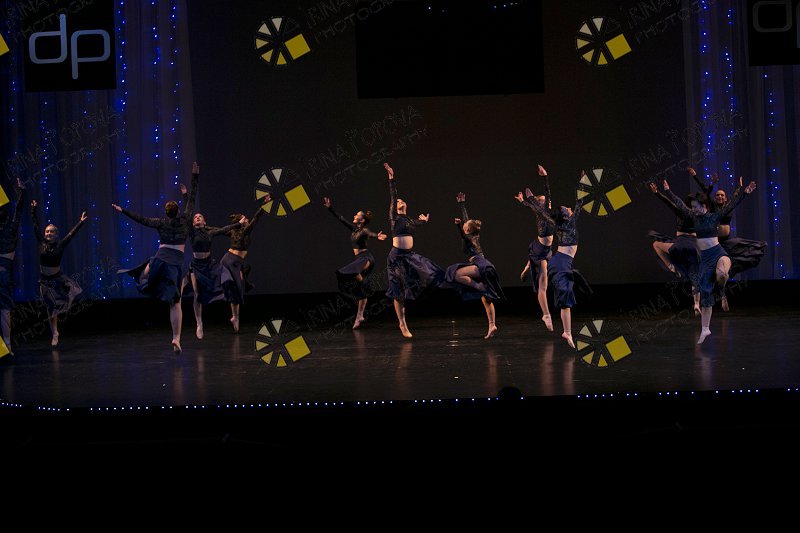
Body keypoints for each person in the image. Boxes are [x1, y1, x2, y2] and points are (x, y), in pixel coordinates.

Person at [656, 178, 756, 344]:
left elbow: (731, 205)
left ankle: (722, 286)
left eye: (696, 207)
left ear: (705, 206)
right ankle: (705, 329)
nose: (693, 209)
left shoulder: (715, 216)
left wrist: (745, 192)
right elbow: (679, 203)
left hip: (718, 253)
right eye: (693, 207)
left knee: (722, 273)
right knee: (705, 292)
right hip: (705, 258)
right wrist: (668, 191)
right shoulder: (693, 217)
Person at [113, 161, 199, 353]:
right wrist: (194, 176)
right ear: (178, 211)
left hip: (160, 259)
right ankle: (176, 338)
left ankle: (141, 278)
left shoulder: (161, 222)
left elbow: (141, 220)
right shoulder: (186, 221)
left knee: (145, 273)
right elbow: (192, 199)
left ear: (167, 213)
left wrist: (122, 210)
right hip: (175, 263)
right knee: (175, 302)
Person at [516, 171, 587, 348]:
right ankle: (565, 330)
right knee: (566, 299)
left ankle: (567, 332)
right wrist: (582, 182)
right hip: (560, 263)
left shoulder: (558, 222)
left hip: (558, 261)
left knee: (566, 300)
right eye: (567, 209)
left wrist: (528, 200)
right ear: (566, 215)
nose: (570, 208)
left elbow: (543, 210)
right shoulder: (570, 221)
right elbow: (579, 202)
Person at [385, 162, 445, 338]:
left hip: (409, 257)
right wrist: (391, 178)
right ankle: (402, 323)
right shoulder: (394, 217)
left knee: (428, 272)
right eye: (398, 202)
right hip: (396, 258)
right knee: (397, 290)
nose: (400, 202)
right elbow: (393, 196)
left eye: (402, 201)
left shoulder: (410, 220)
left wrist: (424, 221)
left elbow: (419, 223)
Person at [692, 170, 767, 311]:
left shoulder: (727, 207)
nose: (720, 196)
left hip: (726, 243)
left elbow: (735, 199)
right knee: (709, 272)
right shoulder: (712, 207)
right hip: (714, 244)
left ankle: (722, 294)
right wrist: (698, 177)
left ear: (725, 198)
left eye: (722, 195)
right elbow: (705, 193)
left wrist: (741, 188)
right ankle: (713, 297)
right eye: (717, 195)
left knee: (723, 273)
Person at [445, 192, 505, 339]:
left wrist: (458, 226)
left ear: (466, 230)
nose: (464, 224)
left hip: (480, 264)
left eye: (464, 226)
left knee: (454, 273)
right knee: (486, 299)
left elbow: (463, 233)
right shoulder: (474, 234)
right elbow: (467, 222)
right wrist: (462, 204)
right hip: (485, 264)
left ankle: (479, 287)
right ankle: (492, 325)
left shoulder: (468, 237)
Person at [322, 196, 387, 329]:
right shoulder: (354, 229)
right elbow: (341, 219)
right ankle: (359, 316)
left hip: (366, 258)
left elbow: (370, 233)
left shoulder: (364, 230)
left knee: (351, 271)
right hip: (359, 260)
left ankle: (365, 285)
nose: (354, 215)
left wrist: (377, 236)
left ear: (362, 220)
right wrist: (330, 208)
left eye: (357, 215)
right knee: (358, 289)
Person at [31, 199, 87, 347]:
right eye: (47, 231)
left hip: (57, 279)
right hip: (44, 281)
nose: (49, 233)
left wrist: (80, 222)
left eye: (51, 232)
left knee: (55, 308)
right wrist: (33, 210)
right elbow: (35, 226)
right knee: (50, 309)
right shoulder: (41, 243)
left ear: (56, 234)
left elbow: (71, 235)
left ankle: (55, 332)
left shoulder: (60, 245)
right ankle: (55, 333)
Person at [183, 210, 246, 339]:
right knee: (197, 293)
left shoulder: (209, 232)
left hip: (209, 264)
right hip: (197, 266)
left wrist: (238, 224)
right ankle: (199, 323)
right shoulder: (191, 232)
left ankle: (235, 316)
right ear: (193, 223)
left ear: (204, 222)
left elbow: (224, 229)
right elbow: (188, 213)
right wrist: (188, 197)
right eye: (195, 217)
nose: (197, 218)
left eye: (200, 216)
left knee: (229, 280)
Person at [648, 178, 702, 315]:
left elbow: (672, 203)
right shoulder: (699, 215)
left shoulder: (682, 211)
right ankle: (696, 304)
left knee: (656, 244)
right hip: (695, 248)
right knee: (695, 278)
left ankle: (672, 267)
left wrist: (662, 192)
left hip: (681, 244)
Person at [219, 194, 270, 333]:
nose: (247, 219)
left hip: (235, 262)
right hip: (230, 261)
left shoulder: (239, 232)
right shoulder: (242, 230)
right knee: (236, 288)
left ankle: (235, 317)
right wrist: (264, 204)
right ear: (240, 222)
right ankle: (235, 317)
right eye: (245, 218)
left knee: (238, 289)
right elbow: (256, 219)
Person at [519, 165, 556, 331]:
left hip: (544, 249)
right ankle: (546, 314)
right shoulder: (540, 211)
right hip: (541, 250)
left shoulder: (545, 212)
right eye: (544, 201)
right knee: (543, 286)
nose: (548, 202)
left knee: (543, 279)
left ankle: (527, 267)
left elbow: (540, 201)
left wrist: (525, 201)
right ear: (541, 204)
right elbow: (545, 194)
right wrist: (545, 177)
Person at [0, 179, 25, 355]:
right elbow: (18, 210)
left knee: (5, 311)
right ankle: (7, 345)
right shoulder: (11, 228)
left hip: (4, 275)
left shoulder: (9, 229)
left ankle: (7, 346)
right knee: (5, 311)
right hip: (4, 276)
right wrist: (21, 192)